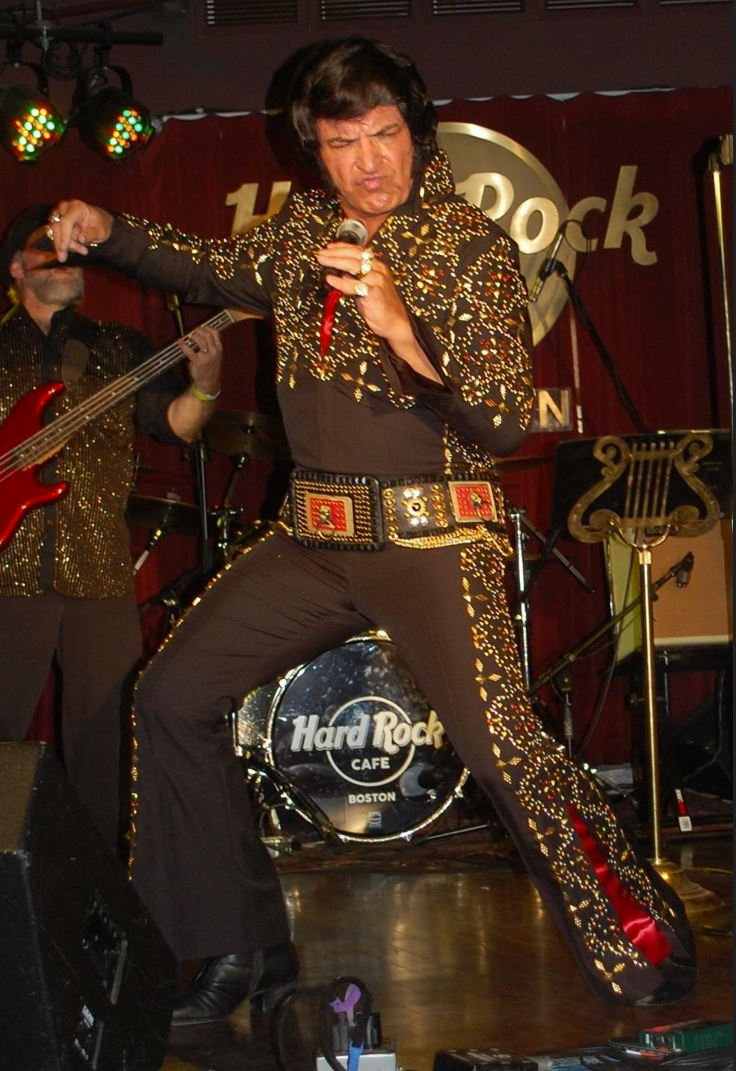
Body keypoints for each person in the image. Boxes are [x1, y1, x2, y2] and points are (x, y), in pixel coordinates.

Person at [45, 36, 696, 1024]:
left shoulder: (469, 245)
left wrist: (401, 327)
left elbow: (500, 422)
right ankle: (239, 947)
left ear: (414, 131)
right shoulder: (303, 231)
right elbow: (209, 266)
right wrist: (111, 232)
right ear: (314, 149)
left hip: (431, 537)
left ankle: (640, 944)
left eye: (384, 134)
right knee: (171, 697)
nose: (369, 162)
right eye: (343, 143)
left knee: (503, 749)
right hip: (313, 538)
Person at [0, 202, 224, 857]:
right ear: (15, 268)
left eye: (71, 249)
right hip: (7, 572)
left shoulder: (119, 346)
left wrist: (205, 385)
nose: (63, 257)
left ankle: (98, 879)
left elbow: (177, 425)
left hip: (98, 569)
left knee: (106, 745)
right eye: (45, 247)